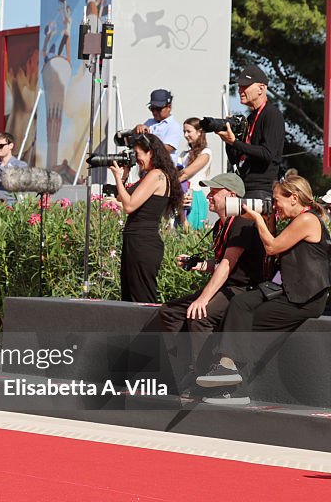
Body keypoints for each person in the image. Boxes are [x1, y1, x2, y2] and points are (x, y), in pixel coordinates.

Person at [197, 172, 331, 404]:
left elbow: (272, 247)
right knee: (240, 303)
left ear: (294, 198)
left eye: (277, 200)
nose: (275, 206)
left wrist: (257, 218)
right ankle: (226, 367)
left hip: (305, 299)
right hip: (288, 291)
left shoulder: (307, 220)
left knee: (248, 322)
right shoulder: (298, 220)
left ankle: (237, 390)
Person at [158, 173, 264, 382]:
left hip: (243, 291)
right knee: (170, 312)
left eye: (215, 192)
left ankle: (204, 376)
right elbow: (221, 264)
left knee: (200, 313)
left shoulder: (243, 222)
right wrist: (199, 264)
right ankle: (185, 368)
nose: (208, 196)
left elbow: (227, 265)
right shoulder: (221, 225)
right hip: (228, 286)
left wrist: (203, 299)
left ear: (232, 196)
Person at [109, 133, 183, 303]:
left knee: (142, 299)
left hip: (143, 242)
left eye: (137, 153)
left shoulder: (156, 175)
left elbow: (128, 206)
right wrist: (124, 177)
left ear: (150, 152)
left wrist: (116, 178)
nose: (136, 159)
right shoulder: (150, 175)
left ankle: (149, 330)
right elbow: (122, 198)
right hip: (135, 241)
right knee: (129, 297)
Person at [220, 64, 285, 200]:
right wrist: (229, 136)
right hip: (245, 185)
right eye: (239, 86)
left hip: (261, 189)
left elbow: (267, 154)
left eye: (245, 86)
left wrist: (235, 142)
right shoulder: (250, 118)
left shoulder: (272, 114)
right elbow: (235, 158)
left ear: (261, 89)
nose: (240, 90)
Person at [178, 118, 213, 230]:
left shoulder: (205, 153)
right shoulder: (184, 154)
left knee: (193, 231)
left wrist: (170, 180)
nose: (185, 135)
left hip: (195, 195)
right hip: (182, 194)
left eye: (188, 131)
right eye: (184, 131)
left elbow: (187, 173)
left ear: (199, 132)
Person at [134, 89, 183, 160]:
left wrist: (144, 146)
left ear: (169, 107)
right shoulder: (149, 122)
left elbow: (166, 149)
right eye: (152, 108)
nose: (155, 112)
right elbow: (133, 139)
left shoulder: (174, 126)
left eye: (158, 109)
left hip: (163, 169)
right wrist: (137, 129)